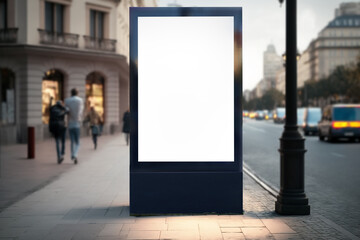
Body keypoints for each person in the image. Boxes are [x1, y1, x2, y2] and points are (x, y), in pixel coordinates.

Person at [65, 88, 83, 164]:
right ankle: (75, 154)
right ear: (77, 93)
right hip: (77, 123)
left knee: (72, 141)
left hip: (70, 123)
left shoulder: (67, 100)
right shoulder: (80, 100)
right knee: (78, 142)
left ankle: (72, 154)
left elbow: (66, 111)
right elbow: (80, 112)